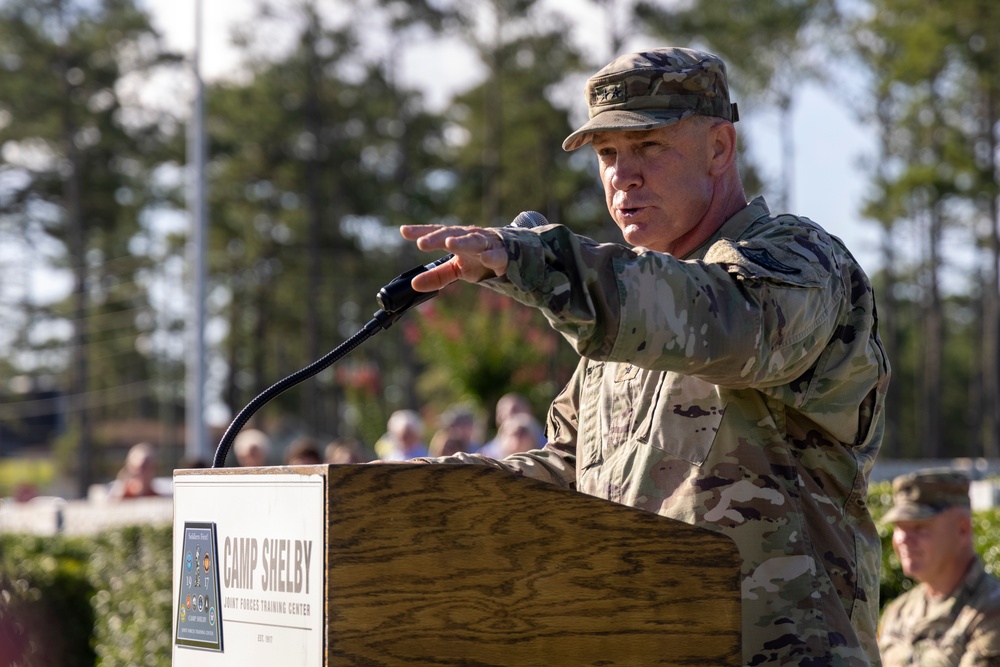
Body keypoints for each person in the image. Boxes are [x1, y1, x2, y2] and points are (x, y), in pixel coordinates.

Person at [399, 46, 890, 665]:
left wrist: (539, 263)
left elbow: (726, 325)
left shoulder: (796, 262)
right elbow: (569, 477)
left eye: (649, 147)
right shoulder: (620, 322)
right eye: (607, 155)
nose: (621, 176)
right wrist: (408, 489)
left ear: (719, 148)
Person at [878, 469, 1000, 665]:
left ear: (962, 529)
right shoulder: (898, 612)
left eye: (919, 527)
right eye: (899, 527)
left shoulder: (991, 611)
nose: (903, 539)